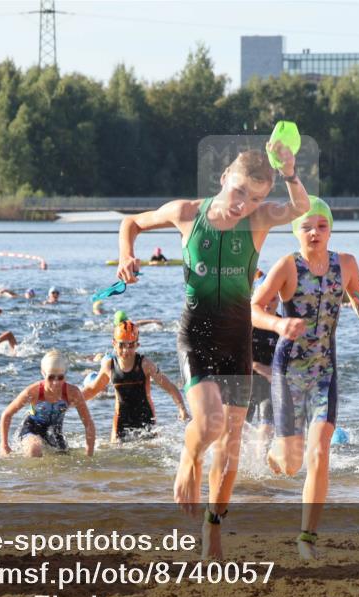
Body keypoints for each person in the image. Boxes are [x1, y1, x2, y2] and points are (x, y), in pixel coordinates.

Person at [116, 142, 309, 557]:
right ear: (224, 179)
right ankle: (188, 460)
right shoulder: (187, 213)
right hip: (197, 333)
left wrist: (291, 172)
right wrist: (126, 256)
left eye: (255, 197)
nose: (244, 204)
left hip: (236, 336)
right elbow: (131, 222)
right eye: (239, 192)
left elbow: (299, 207)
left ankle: (213, 529)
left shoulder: (257, 221)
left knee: (232, 439)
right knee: (209, 424)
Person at [251, 196, 359, 559]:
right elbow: (254, 309)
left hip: (325, 371)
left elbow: (358, 301)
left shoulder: (347, 264)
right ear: (296, 232)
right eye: (306, 226)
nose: (315, 232)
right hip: (288, 371)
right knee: (291, 464)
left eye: (322, 226)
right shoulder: (286, 266)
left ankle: (307, 537)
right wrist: (278, 323)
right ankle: (275, 455)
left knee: (320, 451)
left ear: (330, 230)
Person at [82, 320, 189, 443]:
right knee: (115, 455)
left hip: (146, 419)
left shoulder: (145, 364)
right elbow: (92, 390)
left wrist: (182, 409)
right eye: (121, 345)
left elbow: (169, 386)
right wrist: (70, 401)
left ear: (137, 345)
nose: (126, 350)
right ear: (114, 344)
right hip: (120, 422)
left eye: (131, 345)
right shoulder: (109, 366)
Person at [0, 350, 95, 457]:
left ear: (65, 375)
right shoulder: (33, 392)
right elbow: (6, 414)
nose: (55, 383)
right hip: (32, 429)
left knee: (65, 462)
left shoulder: (73, 393)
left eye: (60, 377)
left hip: (55, 432)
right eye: (51, 377)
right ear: (43, 374)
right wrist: (4, 445)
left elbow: (88, 423)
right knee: (34, 449)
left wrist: (89, 452)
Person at [247, 275, 280, 452]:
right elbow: (236, 355)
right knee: (236, 431)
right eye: (264, 298)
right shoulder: (248, 324)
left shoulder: (282, 325)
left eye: (273, 297)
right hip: (244, 383)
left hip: (269, 387)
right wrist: (261, 368)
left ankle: (260, 471)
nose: (268, 303)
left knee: (266, 430)